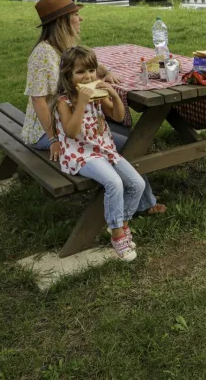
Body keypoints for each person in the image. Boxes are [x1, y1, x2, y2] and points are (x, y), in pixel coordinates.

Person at [21, 0, 165, 214]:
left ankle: (136, 197)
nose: (81, 19)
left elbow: (88, 65)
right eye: (76, 15)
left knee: (123, 133)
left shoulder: (62, 47)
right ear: (63, 21)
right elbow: (39, 101)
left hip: (70, 118)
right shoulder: (43, 54)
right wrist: (53, 139)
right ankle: (144, 204)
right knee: (129, 142)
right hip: (46, 130)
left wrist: (105, 71)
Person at [52, 46, 142, 261]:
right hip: (80, 154)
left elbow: (119, 117)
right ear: (68, 76)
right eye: (80, 72)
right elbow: (72, 133)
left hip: (104, 149)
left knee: (137, 184)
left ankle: (121, 225)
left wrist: (112, 94)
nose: (88, 76)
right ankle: (118, 235)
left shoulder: (98, 95)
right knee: (114, 183)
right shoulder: (63, 102)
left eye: (91, 71)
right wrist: (81, 103)